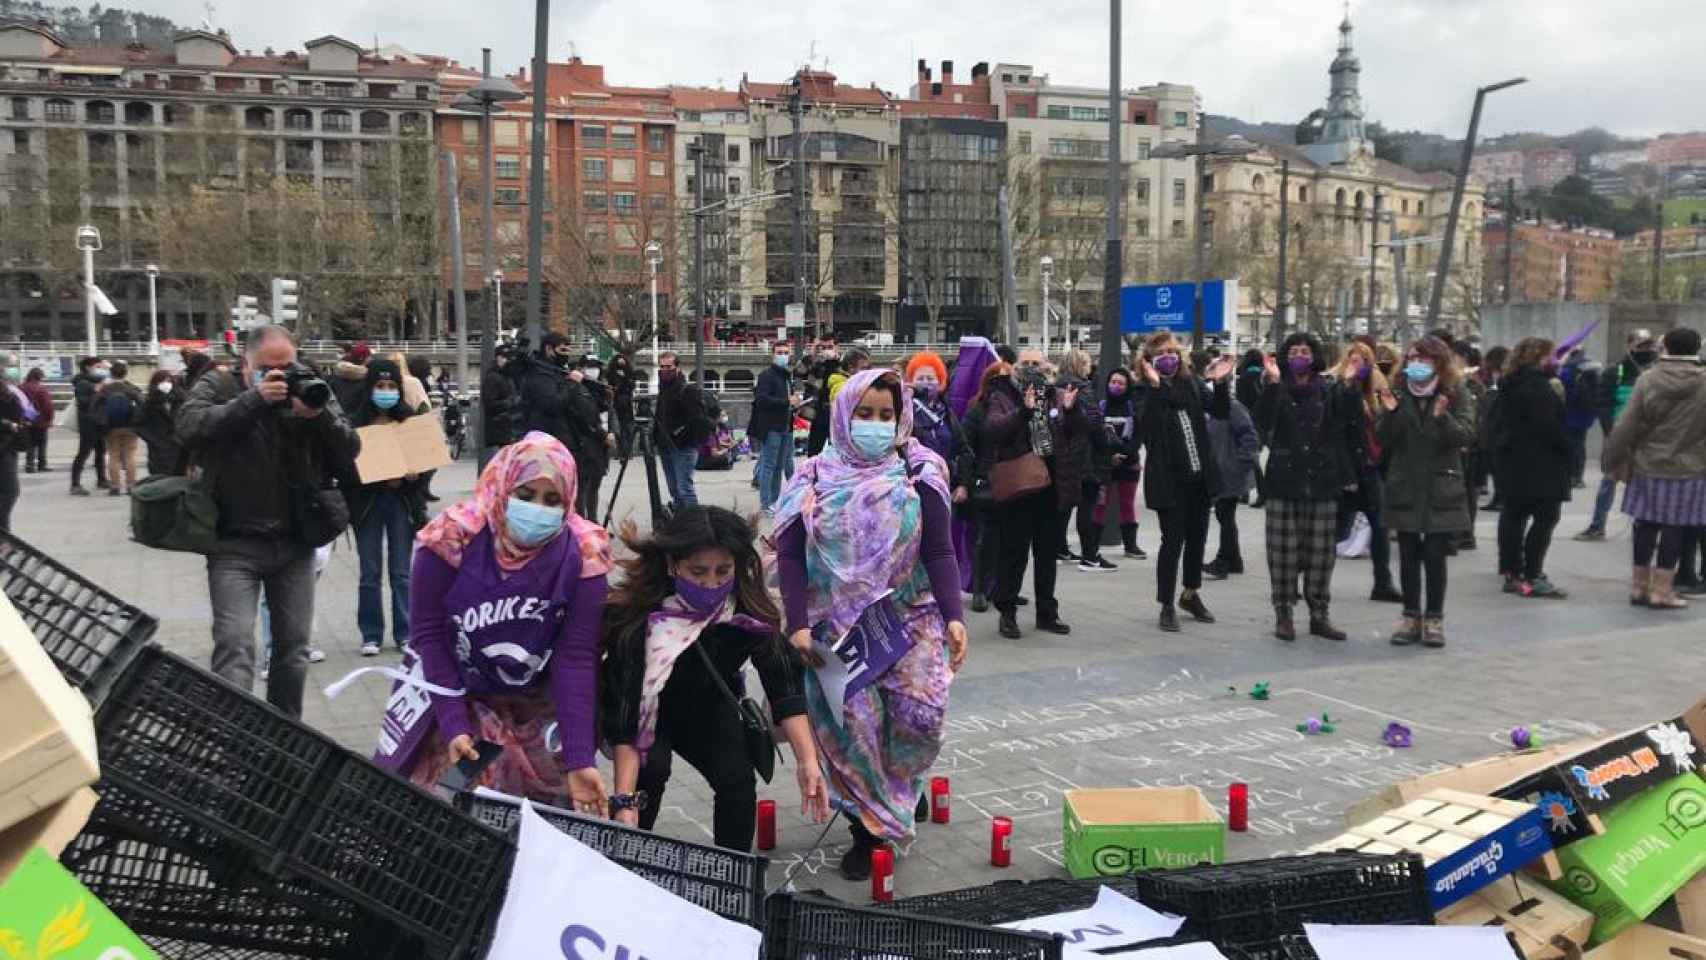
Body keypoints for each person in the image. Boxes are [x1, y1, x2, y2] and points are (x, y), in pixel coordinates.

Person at [770, 367, 968, 880]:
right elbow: (790, 557)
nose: (876, 424)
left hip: (910, 617)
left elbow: (941, 549)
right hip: (837, 629)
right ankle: (869, 829)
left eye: (887, 414)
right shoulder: (812, 476)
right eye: (865, 413)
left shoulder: (918, 470)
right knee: (856, 732)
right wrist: (795, 623)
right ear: (843, 414)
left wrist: (954, 616)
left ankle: (903, 790)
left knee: (919, 717)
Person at [376, 432, 611, 812]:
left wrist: (579, 757)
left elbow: (577, 657)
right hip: (458, 692)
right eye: (525, 494)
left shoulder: (584, 554)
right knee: (455, 806)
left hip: (536, 700)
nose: (538, 509)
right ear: (503, 487)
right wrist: (453, 724)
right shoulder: (452, 538)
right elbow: (429, 636)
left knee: (543, 813)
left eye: (553, 500)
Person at [602, 507, 828, 851]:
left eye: (723, 571)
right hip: (647, 713)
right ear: (671, 565)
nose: (712, 584)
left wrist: (807, 761)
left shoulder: (745, 609)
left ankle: (732, 875)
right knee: (651, 772)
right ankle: (629, 855)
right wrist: (622, 801)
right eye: (698, 572)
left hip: (707, 705)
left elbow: (782, 685)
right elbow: (627, 715)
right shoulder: (640, 617)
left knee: (737, 778)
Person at [176, 325, 361, 717]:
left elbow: (350, 447)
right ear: (247, 363)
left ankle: (285, 735)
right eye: (267, 368)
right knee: (235, 645)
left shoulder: (309, 385)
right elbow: (189, 427)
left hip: (295, 542)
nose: (279, 375)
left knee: (293, 650)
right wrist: (254, 400)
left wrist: (317, 417)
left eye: (286, 365)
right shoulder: (220, 384)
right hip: (233, 544)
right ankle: (237, 737)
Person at [1253, 332, 1362, 642]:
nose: (1300, 355)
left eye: (1305, 350)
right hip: (1283, 480)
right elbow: (1259, 421)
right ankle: (1284, 612)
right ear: (1285, 358)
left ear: (1315, 357)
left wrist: (1352, 386)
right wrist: (1272, 386)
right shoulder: (1275, 388)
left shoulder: (1328, 390)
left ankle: (1318, 613)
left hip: (1321, 478)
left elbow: (1348, 424)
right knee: (1282, 552)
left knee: (1320, 554)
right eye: (1293, 351)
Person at [1377, 336, 1476, 648]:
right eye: (1412, 358)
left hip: (1440, 484)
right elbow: (1384, 439)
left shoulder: (1454, 392)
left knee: (1435, 555)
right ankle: (1409, 616)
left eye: (1424, 359)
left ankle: (1434, 618)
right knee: (1407, 555)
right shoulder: (1397, 391)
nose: (1416, 364)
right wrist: (1390, 413)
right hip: (1406, 483)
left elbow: (1467, 436)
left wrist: (1443, 417)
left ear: (1439, 362)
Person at [1132, 334, 1235, 633]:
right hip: (1168, 481)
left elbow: (1220, 411)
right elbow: (1146, 427)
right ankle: (1166, 603)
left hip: (1199, 478)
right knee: (1172, 543)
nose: (1169, 357)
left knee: (1197, 540)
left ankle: (1190, 593)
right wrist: (1154, 387)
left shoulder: (1191, 384)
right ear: (1149, 360)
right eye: (1161, 353)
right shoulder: (1143, 390)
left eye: (1172, 352)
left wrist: (1220, 383)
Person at [1601, 326, 1706, 610]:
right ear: (1697, 348)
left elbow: (1627, 424)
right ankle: (1663, 591)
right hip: (1691, 467)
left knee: (1645, 524)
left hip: (1647, 463)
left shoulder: (1648, 379)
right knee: (1675, 527)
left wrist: (1611, 458)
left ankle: (1639, 587)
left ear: (1666, 348)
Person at [984, 349, 1079, 638]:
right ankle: (1007, 612)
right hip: (1019, 489)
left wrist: (1072, 411)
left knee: (1047, 555)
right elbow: (992, 430)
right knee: (1013, 555)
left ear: (1045, 366)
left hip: (1051, 488)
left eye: (1035, 363)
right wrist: (1023, 411)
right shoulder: (1002, 395)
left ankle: (1047, 613)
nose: (1030, 368)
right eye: (1025, 363)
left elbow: (1078, 433)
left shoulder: (1055, 394)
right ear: (1014, 368)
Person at [340, 359, 430, 657]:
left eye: (392, 386)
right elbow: (346, 469)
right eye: (380, 386)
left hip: (401, 504)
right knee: (369, 572)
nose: (386, 391)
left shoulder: (409, 422)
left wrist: (414, 476)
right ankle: (371, 634)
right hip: (368, 505)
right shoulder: (355, 423)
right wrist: (375, 474)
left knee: (402, 572)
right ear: (370, 389)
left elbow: (426, 464)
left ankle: (405, 632)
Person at [1492, 338, 1571, 599]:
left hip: (1512, 460)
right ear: (1540, 357)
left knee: (1513, 515)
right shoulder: (1538, 387)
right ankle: (1532, 573)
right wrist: (1567, 449)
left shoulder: (1509, 382)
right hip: (1541, 463)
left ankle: (1512, 572)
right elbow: (1549, 426)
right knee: (1546, 517)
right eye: (1551, 356)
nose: (1555, 361)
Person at [1329, 340, 1402, 603]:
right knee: (1336, 531)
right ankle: (1312, 579)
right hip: (1348, 472)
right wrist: (1348, 385)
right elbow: (1337, 432)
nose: (1358, 364)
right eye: (1354, 359)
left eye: (1364, 360)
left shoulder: (1375, 393)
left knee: (1379, 527)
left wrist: (1391, 412)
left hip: (1371, 469)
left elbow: (1383, 433)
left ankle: (1383, 583)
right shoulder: (1338, 390)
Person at [1578, 329, 1660, 541]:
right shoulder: (1615, 371)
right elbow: (1603, 404)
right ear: (1629, 345)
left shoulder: (1657, 371)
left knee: (1646, 483)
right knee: (1609, 481)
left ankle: (1645, 527)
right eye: (1641, 345)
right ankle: (1597, 526)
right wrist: (1611, 432)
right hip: (1618, 435)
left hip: (1647, 438)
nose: (1646, 350)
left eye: (1649, 346)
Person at [1053, 351, 1115, 571]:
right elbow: (1093, 422)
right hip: (1086, 455)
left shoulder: (1056, 387)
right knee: (1087, 505)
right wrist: (1106, 441)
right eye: (1088, 363)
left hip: (1062, 453)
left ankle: (1059, 548)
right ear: (1080, 365)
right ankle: (1090, 555)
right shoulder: (1084, 388)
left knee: (1064, 505)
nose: (1090, 367)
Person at [1203, 383, 1258, 581]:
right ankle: (1234, 559)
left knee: (1225, 515)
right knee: (1224, 515)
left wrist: (1241, 463)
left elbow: (1250, 436)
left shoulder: (1233, 407)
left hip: (1231, 470)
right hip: (1220, 471)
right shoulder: (1209, 410)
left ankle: (1223, 561)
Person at [1094, 367, 1146, 559]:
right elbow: (1096, 435)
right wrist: (1109, 457)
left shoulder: (1133, 408)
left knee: (1127, 504)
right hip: (1105, 465)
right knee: (1100, 505)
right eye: (1113, 382)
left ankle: (1130, 546)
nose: (1116, 386)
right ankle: (1092, 547)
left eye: (1121, 383)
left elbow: (1139, 435)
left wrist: (1125, 453)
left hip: (1129, 463)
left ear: (1127, 386)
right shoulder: (1100, 407)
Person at [653, 351, 714, 509]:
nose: (665, 370)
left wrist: (681, 436)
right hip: (665, 446)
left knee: (684, 488)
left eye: (669, 367)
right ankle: (682, 522)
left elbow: (697, 420)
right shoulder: (663, 390)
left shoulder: (688, 390)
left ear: (678, 368)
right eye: (662, 367)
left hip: (683, 447)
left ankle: (696, 523)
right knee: (674, 489)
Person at [751, 341, 797, 512]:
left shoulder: (786, 376)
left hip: (786, 425)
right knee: (768, 465)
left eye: (786, 352)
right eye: (780, 352)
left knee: (779, 466)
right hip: (771, 427)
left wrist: (793, 404)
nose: (783, 355)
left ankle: (774, 500)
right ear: (773, 354)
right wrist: (786, 402)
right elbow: (761, 400)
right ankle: (766, 503)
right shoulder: (766, 375)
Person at [574, 354, 616, 520]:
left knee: (595, 484)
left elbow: (611, 413)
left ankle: (592, 520)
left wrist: (613, 432)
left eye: (596, 366)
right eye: (590, 366)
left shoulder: (602, 389)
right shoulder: (578, 388)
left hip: (602, 443)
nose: (594, 370)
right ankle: (581, 522)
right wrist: (603, 434)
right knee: (582, 485)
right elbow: (584, 419)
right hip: (586, 442)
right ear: (581, 368)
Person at [96, 360, 143, 497]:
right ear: (125, 373)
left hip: (110, 427)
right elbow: (142, 404)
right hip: (130, 427)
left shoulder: (105, 389)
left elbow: (94, 407)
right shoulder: (131, 388)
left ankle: (115, 486)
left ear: (111, 373)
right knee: (130, 455)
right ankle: (131, 485)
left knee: (113, 455)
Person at [1559, 348, 1599, 489]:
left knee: (1569, 445)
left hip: (1569, 414)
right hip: (1585, 416)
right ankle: (1578, 477)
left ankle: (1569, 476)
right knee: (1580, 446)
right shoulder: (1592, 371)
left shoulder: (1566, 371)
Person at [69, 356, 108, 495]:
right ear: (88, 367)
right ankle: (75, 484)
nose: (100, 369)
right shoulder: (82, 383)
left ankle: (102, 479)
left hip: (99, 422)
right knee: (83, 453)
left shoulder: (96, 382)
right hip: (88, 423)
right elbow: (83, 402)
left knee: (100, 451)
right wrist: (97, 392)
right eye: (97, 367)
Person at [1235, 348, 1269, 507]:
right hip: (1266, 422)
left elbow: (1240, 402)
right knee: (1254, 458)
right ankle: (1248, 493)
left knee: (1251, 458)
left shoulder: (1244, 378)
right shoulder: (1265, 376)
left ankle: (1258, 493)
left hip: (1250, 421)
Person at [134, 370, 184, 477]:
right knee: (159, 476)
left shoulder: (181, 400)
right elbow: (138, 425)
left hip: (178, 446)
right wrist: (153, 440)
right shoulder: (149, 403)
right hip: (158, 448)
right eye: (162, 381)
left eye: (169, 381)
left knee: (177, 477)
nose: (166, 384)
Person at [480, 340, 523, 459]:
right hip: (502, 427)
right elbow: (489, 403)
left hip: (507, 427)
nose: (508, 361)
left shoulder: (506, 376)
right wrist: (511, 402)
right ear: (498, 358)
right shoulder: (493, 377)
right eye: (505, 358)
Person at [0, 354, 24, 531]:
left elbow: (20, 415)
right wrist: (8, 424)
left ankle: (4, 533)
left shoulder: (9, 394)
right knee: (10, 490)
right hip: (5, 445)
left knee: (10, 491)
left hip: (6, 447)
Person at [20, 368, 52, 473]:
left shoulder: (20, 387)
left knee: (30, 443)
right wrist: (49, 418)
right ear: (39, 377)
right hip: (40, 420)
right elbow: (47, 406)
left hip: (25, 419)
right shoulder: (41, 389)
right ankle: (42, 464)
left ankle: (29, 465)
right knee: (42, 442)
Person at [607, 352, 637, 454]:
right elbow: (610, 384)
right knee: (617, 427)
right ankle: (620, 450)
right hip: (616, 401)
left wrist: (625, 378)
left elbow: (632, 385)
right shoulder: (611, 372)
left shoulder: (629, 372)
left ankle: (627, 450)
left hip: (626, 402)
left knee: (626, 427)